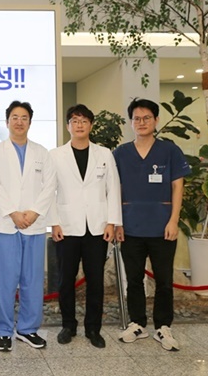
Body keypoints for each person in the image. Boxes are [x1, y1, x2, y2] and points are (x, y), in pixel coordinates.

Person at [114, 98, 190, 352]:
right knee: (134, 279)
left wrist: (174, 220)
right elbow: (115, 189)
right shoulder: (121, 153)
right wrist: (117, 222)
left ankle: (163, 326)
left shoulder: (169, 150)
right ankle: (137, 323)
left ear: (156, 120)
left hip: (162, 227)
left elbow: (177, 186)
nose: (141, 122)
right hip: (130, 227)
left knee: (164, 280)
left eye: (147, 117)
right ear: (131, 122)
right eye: (136, 118)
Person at [48, 104, 122, 349]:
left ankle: (93, 328)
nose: (79, 125)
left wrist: (112, 222)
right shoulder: (55, 155)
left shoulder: (104, 154)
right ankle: (68, 325)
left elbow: (113, 189)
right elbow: (49, 192)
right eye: (74, 121)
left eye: (84, 121)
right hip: (66, 227)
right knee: (65, 280)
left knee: (95, 280)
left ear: (91, 125)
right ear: (68, 126)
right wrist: (54, 222)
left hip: (97, 228)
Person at [0, 100, 51, 352]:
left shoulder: (42, 152)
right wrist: (13, 213)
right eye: (15, 117)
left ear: (30, 122)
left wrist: (34, 212)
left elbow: (50, 185)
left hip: (34, 225)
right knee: (3, 281)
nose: (19, 121)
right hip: (6, 224)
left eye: (24, 117)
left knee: (32, 280)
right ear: (7, 122)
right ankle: (3, 331)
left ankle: (27, 329)